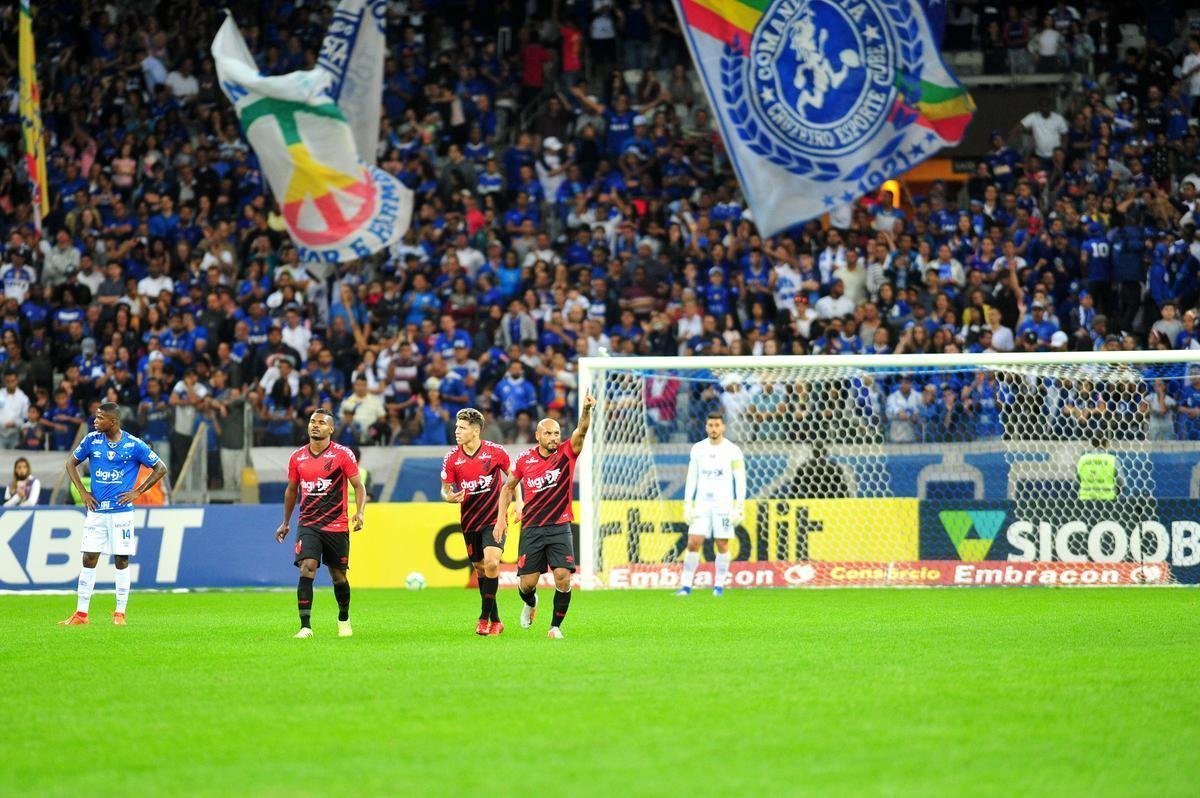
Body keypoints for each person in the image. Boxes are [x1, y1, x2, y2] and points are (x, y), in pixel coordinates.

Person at [495, 392, 595, 639]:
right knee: (527, 583)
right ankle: (530, 602)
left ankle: (555, 627)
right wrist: (501, 518)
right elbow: (508, 487)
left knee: (562, 577)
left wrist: (586, 411)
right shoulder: (525, 460)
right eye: (548, 433)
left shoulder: (566, 454)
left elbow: (581, 431)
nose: (553, 437)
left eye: (557, 433)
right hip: (532, 528)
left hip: (560, 526)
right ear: (537, 435)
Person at [58, 402, 168, 626]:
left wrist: (138, 491)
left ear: (113, 422)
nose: (95, 421)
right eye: (95, 418)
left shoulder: (134, 444)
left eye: (100, 418)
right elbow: (70, 462)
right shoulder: (91, 440)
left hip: (121, 513)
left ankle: (119, 613)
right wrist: (83, 492)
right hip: (96, 511)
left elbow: (161, 468)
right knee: (89, 557)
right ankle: (81, 614)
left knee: (121, 559)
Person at [275, 409, 366, 639]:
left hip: (336, 524)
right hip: (308, 523)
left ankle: (343, 617)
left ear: (331, 429)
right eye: (312, 422)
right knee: (307, 567)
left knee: (338, 577)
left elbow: (358, 486)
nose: (315, 425)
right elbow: (291, 490)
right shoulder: (297, 457)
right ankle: (305, 626)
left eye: (321, 423)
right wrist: (286, 522)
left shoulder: (343, 455)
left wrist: (360, 512)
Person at [441, 408, 512, 635]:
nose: (457, 431)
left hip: (494, 519)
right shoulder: (452, 457)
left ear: (475, 430)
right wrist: (449, 498)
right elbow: (445, 490)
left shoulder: (496, 452)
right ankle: (497, 620)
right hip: (470, 521)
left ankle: (483, 618)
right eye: (456, 427)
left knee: (492, 563)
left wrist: (518, 503)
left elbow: (514, 480)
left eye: (461, 428)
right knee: (481, 571)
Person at [676, 411, 746, 596]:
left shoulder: (733, 450)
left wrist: (739, 506)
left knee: (722, 544)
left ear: (723, 427)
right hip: (702, 503)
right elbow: (691, 478)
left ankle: (719, 586)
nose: (714, 429)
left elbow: (740, 480)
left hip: (723, 504)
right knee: (693, 542)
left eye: (717, 425)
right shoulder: (698, 449)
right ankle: (685, 586)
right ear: (706, 427)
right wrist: (687, 504)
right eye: (710, 425)